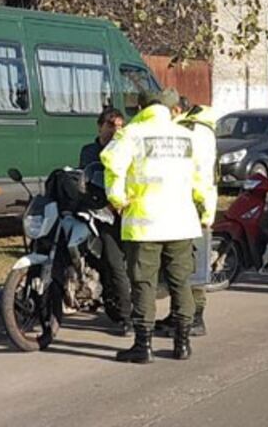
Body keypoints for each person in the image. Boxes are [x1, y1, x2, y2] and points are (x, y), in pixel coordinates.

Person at [102, 88, 211, 364]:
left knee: (144, 283)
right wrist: (207, 211)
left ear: (141, 107)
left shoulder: (132, 134)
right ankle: (182, 343)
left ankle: (143, 346)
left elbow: (111, 162)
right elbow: (202, 177)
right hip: (182, 222)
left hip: (145, 225)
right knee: (180, 282)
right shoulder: (187, 136)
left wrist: (116, 198)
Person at [156, 102, 217, 338]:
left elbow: (198, 172)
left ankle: (194, 318)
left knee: (190, 266)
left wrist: (202, 210)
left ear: (175, 110)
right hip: (194, 204)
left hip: (193, 204)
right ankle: (181, 315)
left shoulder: (193, 130)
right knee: (184, 266)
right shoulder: (196, 128)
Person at [78, 107, 131, 336]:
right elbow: (83, 178)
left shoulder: (125, 150)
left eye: (120, 126)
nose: (115, 130)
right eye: (111, 125)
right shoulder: (89, 151)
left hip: (116, 215)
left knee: (115, 263)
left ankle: (127, 318)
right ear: (100, 126)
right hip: (93, 212)